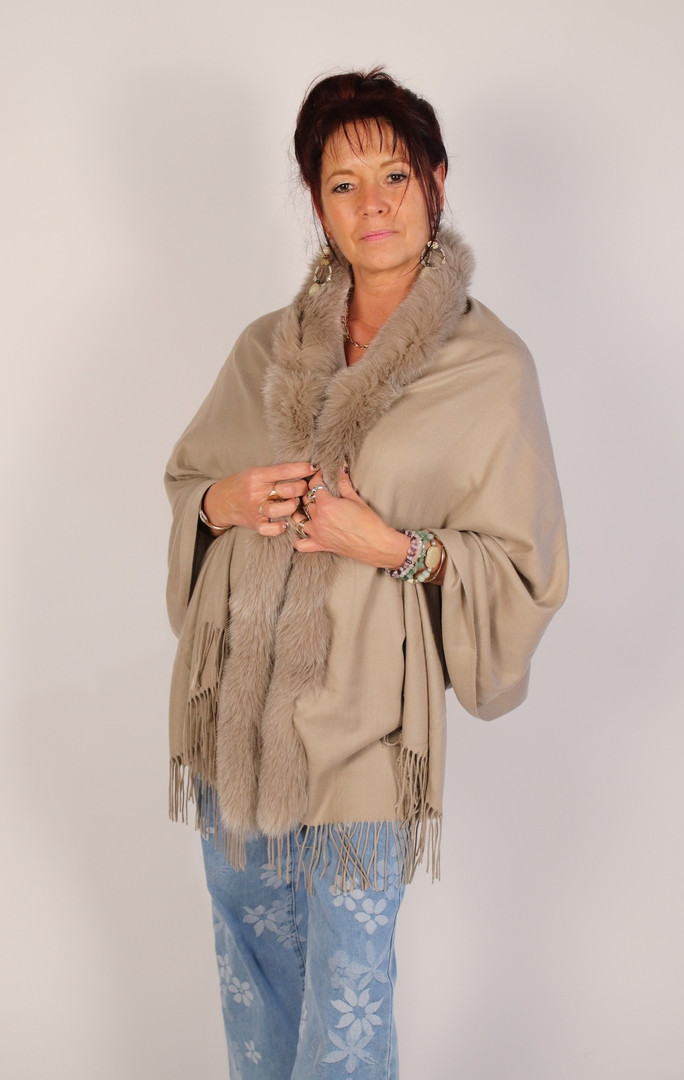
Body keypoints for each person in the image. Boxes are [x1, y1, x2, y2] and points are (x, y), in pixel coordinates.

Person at [165, 68, 568, 1080]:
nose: (373, 203)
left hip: (366, 733)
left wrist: (390, 545)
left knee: (348, 1003)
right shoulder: (265, 347)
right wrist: (224, 502)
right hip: (236, 726)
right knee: (253, 977)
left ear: (436, 181)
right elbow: (190, 484)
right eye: (343, 184)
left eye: (394, 174)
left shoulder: (489, 367)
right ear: (317, 202)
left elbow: (527, 568)